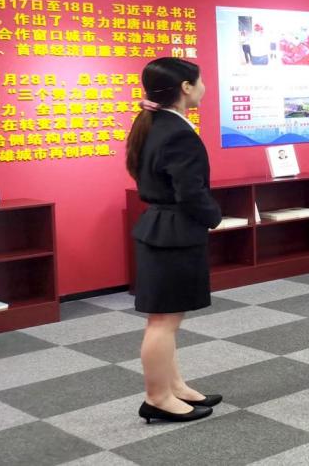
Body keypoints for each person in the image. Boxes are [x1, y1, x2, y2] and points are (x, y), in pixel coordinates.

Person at [126, 58, 221, 424]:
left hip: (162, 228)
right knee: (163, 322)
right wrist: (214, 216)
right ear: (185, 87)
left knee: (166, 318)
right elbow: (190, 191)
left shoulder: (153, 123)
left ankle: (174, 386)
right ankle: (157, 397)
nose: (204, 88)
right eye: (201, 81)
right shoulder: (176, 132)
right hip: (173, 232)